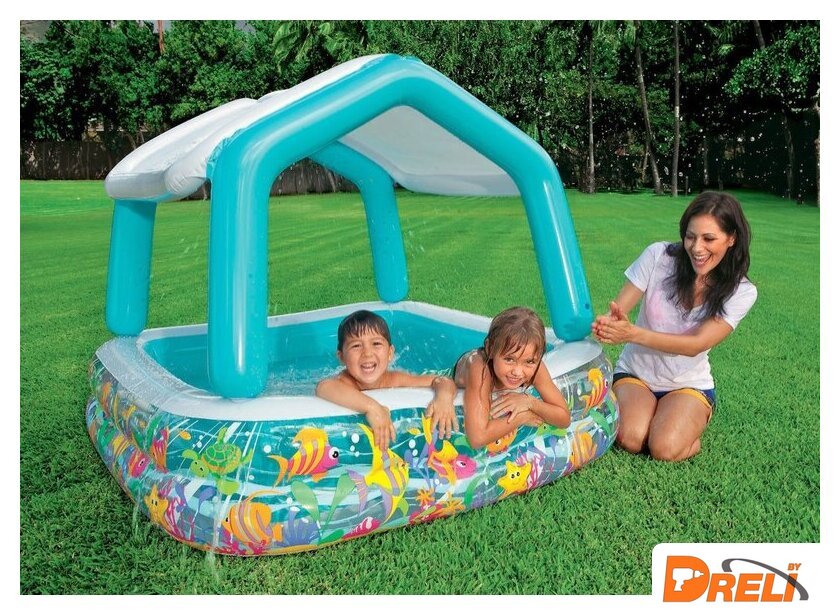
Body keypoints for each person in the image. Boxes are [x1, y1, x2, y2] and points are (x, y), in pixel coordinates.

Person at [591, 191, 757, 462]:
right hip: (636, 374)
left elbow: (696, 344)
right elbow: (618, 311)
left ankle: (685, 428)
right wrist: (608, 324)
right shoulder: (658, 256)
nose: (697, 248)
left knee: (664, 448)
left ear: (732, 238)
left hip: (688, 384)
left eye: (709, 239)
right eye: (690, 237)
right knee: (631, 439)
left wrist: (632, 333)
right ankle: (656, 417)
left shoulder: (741, 291)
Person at [316, 310, 457, 450]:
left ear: (390, 353)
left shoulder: (394, 379)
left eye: (376, 343)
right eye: (356, 346)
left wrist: (444, 398)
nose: (367, 353)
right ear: (341, 357)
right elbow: (323, 387)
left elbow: (442, 380)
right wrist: (372, 408)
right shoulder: (345, 382)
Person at [453, 306, 571, 450]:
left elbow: (564, 419)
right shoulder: (480, 369)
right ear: (490, 348)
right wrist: (521, 417)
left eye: (529, 361)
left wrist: (530, 402)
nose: (518, 372)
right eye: (509, 359)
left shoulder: (535, 367)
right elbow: (477, 437)